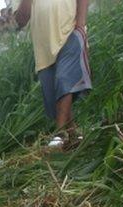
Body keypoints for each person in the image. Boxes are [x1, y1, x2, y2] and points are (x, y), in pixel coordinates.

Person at [15, 0, 90, 148]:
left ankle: (60, 133)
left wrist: (80, 25)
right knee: (53, 94)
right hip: (44, 46)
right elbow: (21, 20)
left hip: (70, 32)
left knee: (64, 78)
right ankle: (73, 134)